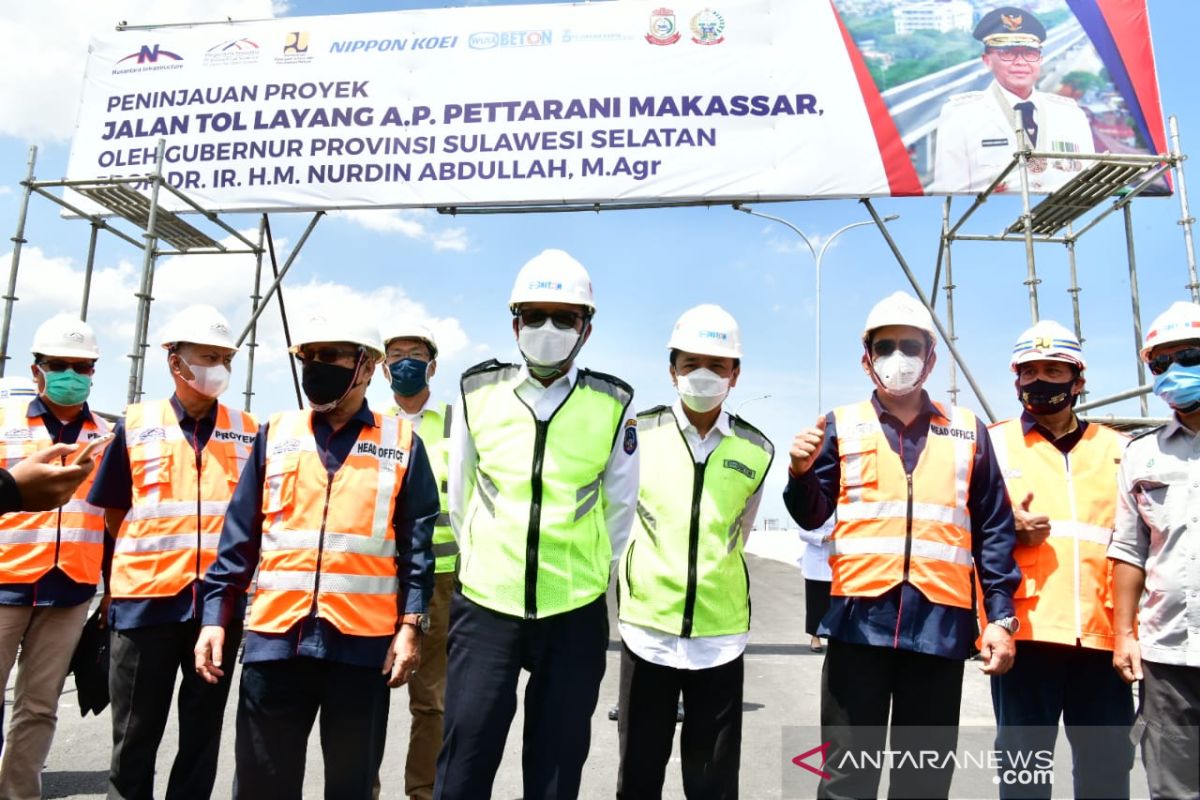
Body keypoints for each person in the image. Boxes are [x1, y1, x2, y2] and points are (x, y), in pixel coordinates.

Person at [783, 291, 1020, 799]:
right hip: (857, 627)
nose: (898, 358)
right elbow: (813, 514)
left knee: (924, 780)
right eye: (885, 346)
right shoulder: (839, 426)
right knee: (847, 778)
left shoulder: (967, 431)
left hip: (938, 629)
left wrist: (1000, 618)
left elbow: (994, 531)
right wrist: (800, 474)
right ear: (866, 357)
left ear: (931, 358)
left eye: (909, 346)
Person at [194, 310, 437, 799]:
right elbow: (239, 538)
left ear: (367, 367)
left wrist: (410, 628)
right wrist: (215, 618)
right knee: (263, 783)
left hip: (362, 648)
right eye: (309, 357)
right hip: (276, 642)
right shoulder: (276, 433)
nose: (316, 366)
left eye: (330, 356)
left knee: (350, 786)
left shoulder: (403, 443)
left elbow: (416, 549)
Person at [436, 249, 637, 800]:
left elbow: (620, 510)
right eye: (535, 315)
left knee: (555, 773)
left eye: (565, 317)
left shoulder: (613, 404)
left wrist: (586, 573)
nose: (548, 328)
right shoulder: (477, 391)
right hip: (486, 607)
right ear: (514, 323)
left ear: (586, 329)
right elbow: (462, 493)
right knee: (464, 764)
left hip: (572, 611)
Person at [88, 304, 256, 800]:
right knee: (136, 734)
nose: (218, 367)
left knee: (202, 735)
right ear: (174, 361)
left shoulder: (248, 429)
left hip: (218, 609)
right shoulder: (137, 425)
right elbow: (115, 513)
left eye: (225, 357)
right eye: (208, 356)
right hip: (146, 605)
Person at [615, 304, 773, 799]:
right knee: (639, 774)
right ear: (672, 370)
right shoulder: (637, 433)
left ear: (736, 374)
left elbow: (740, 533)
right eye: (690, 365)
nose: (703, 376)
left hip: (720, 636)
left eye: (718, 366)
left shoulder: (757, 449)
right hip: (648, 630)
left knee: (713, 783)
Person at [986, 320, 1133, 799]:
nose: (1039, 380)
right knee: (1023, 774)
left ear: (1078, 381)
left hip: (1103, 638)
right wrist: (1010, 527)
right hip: (1024, 636)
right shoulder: (993, 444)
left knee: (1107, 773)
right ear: (1015, 381)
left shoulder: (1119, 450)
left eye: (1053, 369)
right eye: (1029, 372)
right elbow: (961, 533)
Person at [0, 315, 110, 798]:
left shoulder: (106, 435)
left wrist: (113, 590)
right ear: (36, 370)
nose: (72, 375)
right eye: (60, 365)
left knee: (40, 705)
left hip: (70, 587)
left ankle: (19, 792)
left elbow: (110, 516)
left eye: (82, 367)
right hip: (5, 580)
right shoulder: (4, 423)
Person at [1110, 300, 1200, 800]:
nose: (1174, 372)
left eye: (1188, 356)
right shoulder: (1142, 453)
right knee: (1173, 788)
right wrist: (1125, 634)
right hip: (1168, 656)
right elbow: (1129, 550)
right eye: (1160, 363)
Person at [380, 322, 454, 800]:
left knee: (431, 700)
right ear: (383, 367)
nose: (404, 361)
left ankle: (423, 793)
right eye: (395, 354)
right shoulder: (371, 422)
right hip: (377, 576)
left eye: (415, 352)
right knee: (363, 695)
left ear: (432, 364)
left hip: (443, 580)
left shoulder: (458, 423)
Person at [931, 6, 1094, 194]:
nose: (1020, 62)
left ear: (1040, 59)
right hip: (994, 221)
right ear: (987, 60)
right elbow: (949, 194)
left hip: (1064, 220)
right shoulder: (961, 115)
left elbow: (1088, 184)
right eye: (1008, 53)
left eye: (1030, 53)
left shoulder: (1070, 114)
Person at [800, 516, 834, 653]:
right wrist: (824, 538)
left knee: (835, 604)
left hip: (837, 559)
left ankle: (834, 637)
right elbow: (802, 533)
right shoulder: (810, 508)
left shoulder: (842, 505)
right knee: (815, 602)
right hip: (816, 562)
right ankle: (815, 636)